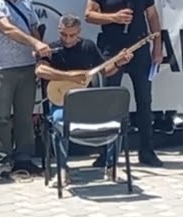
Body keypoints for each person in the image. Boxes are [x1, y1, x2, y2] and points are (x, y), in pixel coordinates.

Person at [85, 0, 164, 167]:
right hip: (111, 49)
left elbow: (152, 16)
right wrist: (114, 18)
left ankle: (147, 151)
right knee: (109, 101)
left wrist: (158, 46)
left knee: (144, 101)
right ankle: (107, 152)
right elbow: (89, 14)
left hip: (139, 48)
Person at [36, 15, 131, 179]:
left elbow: (105, 70)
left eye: (72, 35)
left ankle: (111, 165)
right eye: (64, 35)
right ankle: (62, 168)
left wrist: (117, 63)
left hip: (89, 103)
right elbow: (40, 71)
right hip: (62, 103)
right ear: (59, 30)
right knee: (59, 121)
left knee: (116, 120)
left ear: (79, 32)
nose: (68, 39)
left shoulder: (88, 47)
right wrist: (69, 77)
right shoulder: (53, 49)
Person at [0, 0, 50, 176]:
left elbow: (34, 27)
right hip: (2, 66)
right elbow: (8, 29)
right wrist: (35, 44)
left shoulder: (26, 0)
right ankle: (3, 161)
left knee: (25, 116)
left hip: (26, 65)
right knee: (2, 117)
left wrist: (40, 55)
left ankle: (24, 158)